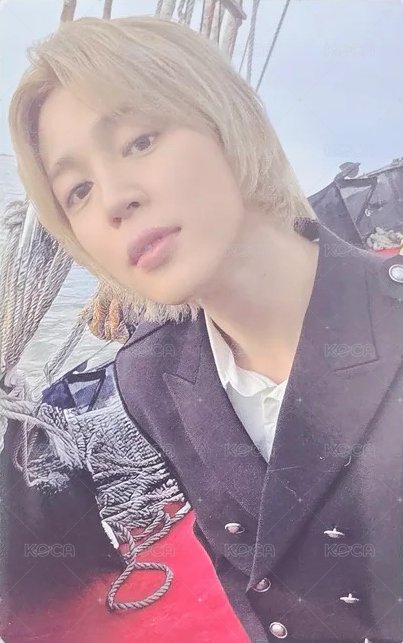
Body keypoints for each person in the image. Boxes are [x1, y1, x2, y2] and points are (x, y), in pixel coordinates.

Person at [7, 15, 403, 642]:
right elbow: (249, 575)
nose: (112, 199)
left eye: (139, 141)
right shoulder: (150, 375)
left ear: (227, 121)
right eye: (77, 190)